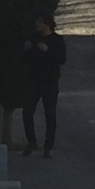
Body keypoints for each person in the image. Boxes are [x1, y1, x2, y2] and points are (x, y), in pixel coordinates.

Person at [22, 13, 66, 158]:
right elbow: (26, 61)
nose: (37, 25)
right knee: (27, 112)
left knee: (50, 115)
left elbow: (61, 60)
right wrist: (27, 50)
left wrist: (47, 51)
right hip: (33, 81)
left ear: (47, 24)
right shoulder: (33, 39)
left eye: (40, 22)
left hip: (50, 82)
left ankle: (48, 147)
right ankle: (32, 141)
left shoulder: (57, 40)